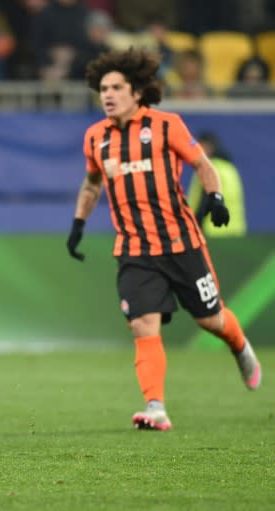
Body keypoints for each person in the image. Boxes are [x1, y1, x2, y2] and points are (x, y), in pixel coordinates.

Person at [65, 48, 261, 431]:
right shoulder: (96, 138)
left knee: (211, 319)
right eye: (103, 88)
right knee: (143, 325)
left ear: (136, 92)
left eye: (116, 87)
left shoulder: (166, 125)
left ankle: (239, 345)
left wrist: (216, 197)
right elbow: (92, 184)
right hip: (134, 251)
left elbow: (202, 165)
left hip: (181, 243)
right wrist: (78, 224)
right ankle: (156, 407)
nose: (107, 94)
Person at [187, 132, 247, 237]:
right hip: (235, 231)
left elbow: (204, 202)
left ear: (208, 147)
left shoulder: (207, 169)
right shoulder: (229, 168)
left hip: (212, 231)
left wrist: (194, 229)